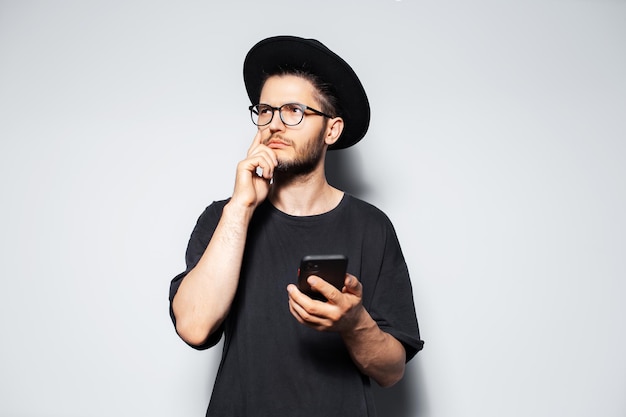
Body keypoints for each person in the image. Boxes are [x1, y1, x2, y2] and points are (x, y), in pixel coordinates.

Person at [169, 35, 424, 417]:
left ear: (331, 130)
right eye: (266, 110)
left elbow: (390, 372)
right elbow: (194, 326)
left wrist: (354, 324)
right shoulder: (225, 217)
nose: (274, 124)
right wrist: (241, 206)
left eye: (293, 111)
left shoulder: (372, 227)